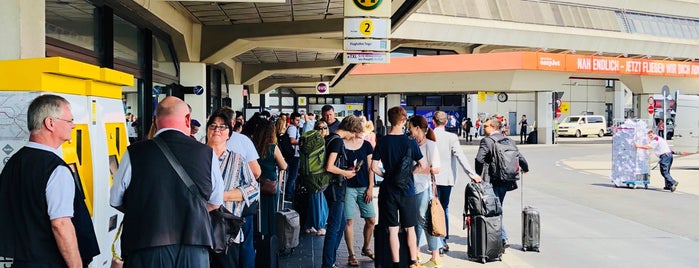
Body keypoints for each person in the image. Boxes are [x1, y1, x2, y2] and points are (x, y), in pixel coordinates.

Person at [110, 96, 224, 267]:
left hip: (145, 246)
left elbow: (115, 199)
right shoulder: (206, 154)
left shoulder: (134, 152)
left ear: (155, 120)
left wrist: (144, 210)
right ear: (187, 119)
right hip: (194, 246)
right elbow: (216, 201)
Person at [0, 94, 99, 267]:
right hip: (50, 262)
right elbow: (61, 224)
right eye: (69, 121)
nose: (73, 125)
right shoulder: (56, 169)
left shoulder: (14, 163)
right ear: (50, 123)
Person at [371, 106, 426, 268]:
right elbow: (422, 165)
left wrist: (386, 176)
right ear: (403, 120)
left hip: (388, 190)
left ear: (389, 120)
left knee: (393, 229)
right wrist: (409, 173)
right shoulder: (410, 142)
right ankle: (413, 262)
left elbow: (373, 167)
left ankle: (395, 264)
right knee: (410, 228)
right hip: (407, 190)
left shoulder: (382, 141)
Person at [206, 112, 260, 268]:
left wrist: (220, 197)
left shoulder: (237, 159)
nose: (217, 129)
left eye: (222, 127)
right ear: (208, 130)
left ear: (229, 134)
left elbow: (253, 188)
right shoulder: (196, 157)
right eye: (213, 125)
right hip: (198, 229)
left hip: (226, 231)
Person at [475, 116, 529, 252]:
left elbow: (479, 159)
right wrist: (525, 168)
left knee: (494, 209)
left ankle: (502, 237)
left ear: (493, 127)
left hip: (493, 179)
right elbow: (520, 157)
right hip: (506, 179)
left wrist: (478, 175)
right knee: (498, 206)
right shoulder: (509, 140)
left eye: (486, 125)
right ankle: (500, 237)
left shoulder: (487, 141)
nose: (483, 127)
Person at [431, 111, 480, 254]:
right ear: (446, 122)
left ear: (433, 122)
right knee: (444, 208)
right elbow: (460, 156)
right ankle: (443, 240)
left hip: (432, 179)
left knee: (433, 209)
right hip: (446, 179)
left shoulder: (429, 135)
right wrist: (472, 174)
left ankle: (436, 241)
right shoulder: (451, 137)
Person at [322, 116, 364, 268]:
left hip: (332, 187)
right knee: (334, 227)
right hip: (335, 188)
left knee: (340, 225)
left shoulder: (330, 138)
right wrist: (346, 174)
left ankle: (330, 260)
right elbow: (329, 166)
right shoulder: (338, 141)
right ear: (351, 129)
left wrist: (345, 170)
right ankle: (327, 263)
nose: (353, 137)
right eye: (354, 133)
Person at [408, 115, 443, 268]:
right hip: (411, 188)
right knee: (416, 221)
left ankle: (434, 256)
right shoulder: (411, 144)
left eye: (411, 128)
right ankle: (417, 252)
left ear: (417, 128)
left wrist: (416, 170)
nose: (409, 131)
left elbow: (436, 169)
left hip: (424, 188)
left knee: (424, 221)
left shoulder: (430, 145)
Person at [343, 117, 376, 266]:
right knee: (349, 221)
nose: (359, 132)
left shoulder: (367, 145)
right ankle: (351, 254)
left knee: (371, 220)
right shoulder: (342, 145)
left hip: (363, 186)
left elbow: (370, 168)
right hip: (348, 187)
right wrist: (345, 170)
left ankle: (366, 247)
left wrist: (370, 187)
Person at [249, 115, 288, 237]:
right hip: (270, 184)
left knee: (257, 212)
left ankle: (258, 235)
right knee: (270, 212)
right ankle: (270, 239)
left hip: (255, 184)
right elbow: (283, 166)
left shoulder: (252, 146)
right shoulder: (273, 147)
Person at [304, 121, 330, 236]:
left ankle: (309, 225)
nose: (322, 130)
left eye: (325, 128)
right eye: (320, 128)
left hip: (309, 174)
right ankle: (320, 225)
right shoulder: (320, 142)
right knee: (319, 200)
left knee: (313, 200)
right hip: (318, 175)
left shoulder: (310, 140)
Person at [285, 112, 302, 202]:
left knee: (292, 175)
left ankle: (289, 193)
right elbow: (292, 141)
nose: (298, 122)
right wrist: (302, 142)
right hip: (293, 155)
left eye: (299, 120)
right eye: (297, 120)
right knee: (292, 176)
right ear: (292, 120)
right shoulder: (292, 128)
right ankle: (289, 195)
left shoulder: (294, 128)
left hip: (293, 155)